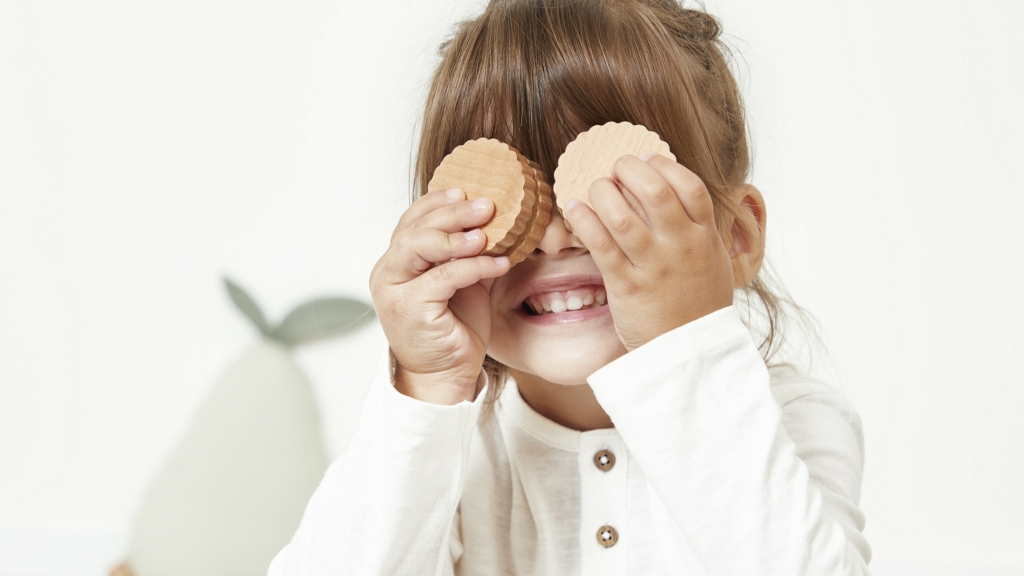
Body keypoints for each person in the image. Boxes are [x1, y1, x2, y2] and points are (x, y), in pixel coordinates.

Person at [269, 0, 871, 573]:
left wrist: (682, 345)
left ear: (735, 238)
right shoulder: (451, 444)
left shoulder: (791, 420)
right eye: (511, 204)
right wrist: (427, 386)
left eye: (618, 194)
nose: (556, 239)